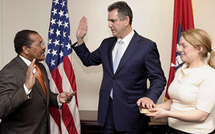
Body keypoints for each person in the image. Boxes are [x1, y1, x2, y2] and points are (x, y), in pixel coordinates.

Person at [73, 1, 166, 133]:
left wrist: (149, 97)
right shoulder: (106, 44)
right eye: (108, 21)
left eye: (113, 21)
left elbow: (158, 79)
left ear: (126, 20)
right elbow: (88, 60)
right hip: (106, 114)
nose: (109, 25)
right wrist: (80, 39)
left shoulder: (147, 46)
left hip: (132, 116)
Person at [0, 30, 74, 134]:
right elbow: (2, 108)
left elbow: (41, 95)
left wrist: (57, 98)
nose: (44, 47)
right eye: (40, 44)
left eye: (43, 43)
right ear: (26, 49)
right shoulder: (9, 72)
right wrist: (26, 88)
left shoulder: (40, 67)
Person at [145, 29, 215, 134]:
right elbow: (175, 101)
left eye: (184, 46)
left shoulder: (209, 75)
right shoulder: (181, 70)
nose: (178, 49)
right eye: (179, 45)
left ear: (199, 49)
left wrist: (167, 114)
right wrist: (153, 108)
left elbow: (201, 115)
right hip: (173, 129)